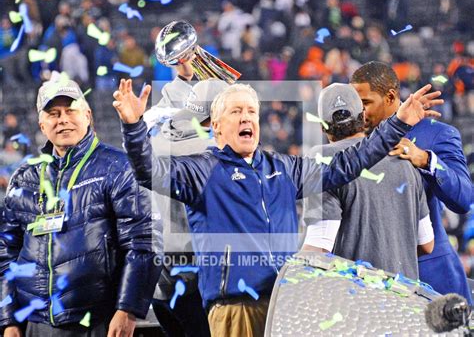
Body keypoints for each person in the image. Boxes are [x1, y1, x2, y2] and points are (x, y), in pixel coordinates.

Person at [113, 77, 440, 336]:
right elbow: (149, 171)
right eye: (236, 111)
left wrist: (397, 124)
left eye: (251, 112)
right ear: (216, 126)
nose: (246, 118)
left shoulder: (283, 168)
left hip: (284, 306)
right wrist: (133, 127)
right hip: (235, 309)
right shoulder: (202, 169)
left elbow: (348, 164)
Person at [0, 73, 161, 337]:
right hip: (35, 323)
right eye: (53, 113)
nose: (62, 119)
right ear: (42, 125)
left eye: (70, 110)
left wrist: (128, 309)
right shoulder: (25, 177)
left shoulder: (119, 167)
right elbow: (6, 254)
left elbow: (144, 243)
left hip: (97, 320)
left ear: (87, 115)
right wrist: (8, 320)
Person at [350, 61, 473, 303]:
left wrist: (425, 159)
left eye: (365, 103)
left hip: (431, 275)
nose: (359, 112)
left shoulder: (436, 133)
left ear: (390, 97)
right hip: (371, 280)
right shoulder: (353, 141)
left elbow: (464, 198)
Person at [302, 83, 434, 280]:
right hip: (406, 301)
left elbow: (319, 248)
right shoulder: (404, 159)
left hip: (357, 303)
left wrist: (282, 274)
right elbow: (427, 244)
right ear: (363, 117)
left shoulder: (321, 159)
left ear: (323, 126)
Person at [147, 64, 227, 337]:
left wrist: (183, 80)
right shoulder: (213, 152)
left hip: (159, 282)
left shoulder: (156, 141)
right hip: (197, 283)